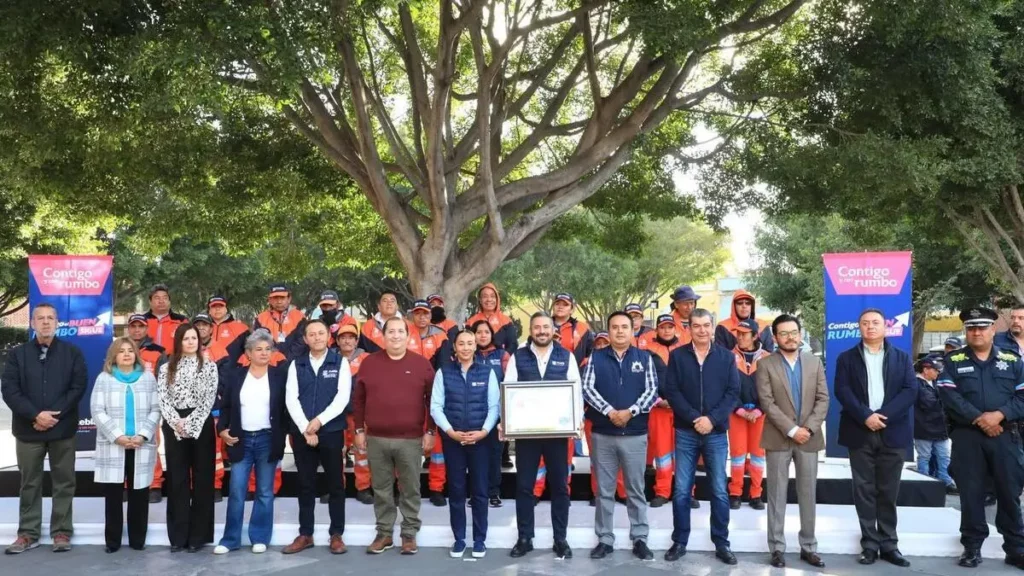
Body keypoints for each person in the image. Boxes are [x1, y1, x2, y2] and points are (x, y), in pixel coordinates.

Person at [937, 307, 1024, 568]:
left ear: (993, 329)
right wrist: (980, 419)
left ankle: (1016, 548)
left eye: (982, 327)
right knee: (971, 493)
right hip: (968, 438)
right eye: (971, 328)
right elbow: (948, 395)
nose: (976, 332)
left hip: (1005, 436)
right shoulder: (954, 361)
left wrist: (999, 415)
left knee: (1009, 493)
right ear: (966, 331)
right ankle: (972, 547)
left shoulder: (1012, 360)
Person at [834, 308, 917, 567]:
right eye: (865, 323)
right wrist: (866, 416)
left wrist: (882, 416)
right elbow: (842, 390)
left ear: (885, 327)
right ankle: (869, 544)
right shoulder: (846, 358)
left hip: (892, 431)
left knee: (888, 490)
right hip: (860, 431)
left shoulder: (902, 358)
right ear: (859, 327)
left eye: (876, 323)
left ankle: (890, 544)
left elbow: (910, 390)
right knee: (864, 490)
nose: (870, 327)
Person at [2, 303, 87, 555]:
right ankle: (28, 533)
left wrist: (53, 415)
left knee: (64, 482)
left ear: (57, 323)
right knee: (30, 483)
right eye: (41, 318)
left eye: (51, 318)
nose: (46, 322)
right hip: (29, 430)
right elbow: (10, 389)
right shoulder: (18, 355)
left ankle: (61, 531)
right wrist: (35, 415)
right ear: (32, 323)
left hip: (62, 430)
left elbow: (77, 386)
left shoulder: (72, 353)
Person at [660, 308, 740, 565]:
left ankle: (722, 543)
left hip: (716, 433)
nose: (702, 330)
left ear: (713, 326)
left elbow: (732, 393)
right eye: (697, 326)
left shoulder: (726, 357)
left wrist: (711, 420)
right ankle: (680, 541)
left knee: (719, 490)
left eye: (706, 325)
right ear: (690, 328)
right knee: (682, 490)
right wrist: (696, 418)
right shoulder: (678, 357)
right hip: (686, 431)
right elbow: (672, 391)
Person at [353, 317, 436, 555]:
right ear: (384, 335)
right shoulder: (369, 363)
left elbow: (432, 401)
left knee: (410, 488)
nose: (396, 335)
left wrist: (430, 431)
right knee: (381, 488)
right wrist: (359, 429)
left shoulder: (422, 364)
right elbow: (358, 400)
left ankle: (409, 534)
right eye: (391, 331)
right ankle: (385, 534)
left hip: (410, 439)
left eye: (401, 331)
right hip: (376, 439)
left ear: (408, 335)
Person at [506, 312, 582, 560]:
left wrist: (577, 421)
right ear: (531, 330)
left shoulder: (566, 356)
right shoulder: (519, 357)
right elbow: (508, 391)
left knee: (560, 486)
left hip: (558, 434)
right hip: (527, 434)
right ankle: (524, 537)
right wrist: (508, 423)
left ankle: (560, 539)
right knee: (524, 487)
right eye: (537, 327)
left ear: (553, 330)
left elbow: (576, 392)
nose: (541, 331)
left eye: (546, 327)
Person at [582, 311, 658, 561]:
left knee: (636, 489)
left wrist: (630, 412)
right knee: (604, 491)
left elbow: (651, 390)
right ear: (609, 330)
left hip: (635, 434)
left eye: (625, 327)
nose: (620, 331)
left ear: (633, 330)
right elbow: (587, 388)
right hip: (604, 434)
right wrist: (609, 411)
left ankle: (640, 538)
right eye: (614, 327)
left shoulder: (644, 358)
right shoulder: (596, 357)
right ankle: (605, 539)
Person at [755, 314, 830, 569]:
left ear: (800, 333)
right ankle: (777, 547)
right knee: (776, 494)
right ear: (775, 338)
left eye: (794, 332)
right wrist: (791, 429)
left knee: (808, 493)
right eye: (784, 333)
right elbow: (767, 403)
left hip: (808, 438)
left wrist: (806, 428)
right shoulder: (765, 365)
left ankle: (808, 547)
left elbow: (823, 399)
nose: (790, 337)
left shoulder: (814, 363)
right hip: (778, 437)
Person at [213, 330, 289, 555]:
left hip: (267, 438)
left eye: (268, 349)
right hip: (240, 439)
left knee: (265, 491)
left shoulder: (279, 376)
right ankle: (230, 539)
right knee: (237, 491)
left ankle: (260, 537)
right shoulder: (237, 376)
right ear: (248, 353)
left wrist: (281, 434)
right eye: (259, 349)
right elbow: (226, 406)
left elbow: (285, 410)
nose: (264, 353)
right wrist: (222, 430)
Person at [281, 319, 352, 555]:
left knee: (335, 484)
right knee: (305, 484)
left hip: (331, 432)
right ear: (305, 339)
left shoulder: (340, 363)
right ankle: (305, 534)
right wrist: (305, 427)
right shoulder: (296, 364)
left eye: (321, 333)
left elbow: (342, 398)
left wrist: (318, 422)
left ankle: (336, 534)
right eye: (312, 334)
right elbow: (291, 398)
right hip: (302, 434)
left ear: (328, 337)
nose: (317, 337)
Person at [431, 329, 500, 559]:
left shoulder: (487, 372)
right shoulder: (444, 373)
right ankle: (459, 539)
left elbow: (494, 407)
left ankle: (480, 540)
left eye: (470, 343)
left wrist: (483, 432)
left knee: (480, 492)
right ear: (455, 347)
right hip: (454, 441)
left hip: (481, 441)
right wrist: (451, 432)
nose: (466, 347)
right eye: (462, 343)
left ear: (475, 346)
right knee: (457, 491)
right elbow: (436, 407)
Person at [91, 338, 161, 553]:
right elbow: (97, 410)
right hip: (114, 444)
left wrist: (143, 434)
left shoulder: (148, 378)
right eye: (121, 351)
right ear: (114, 356)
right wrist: (117, 436)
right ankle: (113, 541)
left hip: (141, 444)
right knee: (113, 496)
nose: (127, 354)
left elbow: (156, 409)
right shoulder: (104, 379)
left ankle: (137, 539)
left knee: (139, 494)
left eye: (130, 350)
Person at [158, 323, 219, 553]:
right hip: (174, 426)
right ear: (179, 341)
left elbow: (208, 399)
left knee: (203, 479)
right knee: (177, 480)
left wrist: (191, 423)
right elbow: (163, 398)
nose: (191, 342)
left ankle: (198, 537)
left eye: (194, 338)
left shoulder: (209, 366)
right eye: (186, 338)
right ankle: (178, 536)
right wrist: (177, 423)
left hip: (200, 424)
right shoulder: (166, 368)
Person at [408, 299, 450, 506]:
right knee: (407, 446)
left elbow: (443, 367)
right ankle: (406, 489)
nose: (422, 317)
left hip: (434, 397)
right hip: (409, 397)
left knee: (437, 448)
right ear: (412, 315)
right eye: (418, 313)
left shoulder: (441, 336)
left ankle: (436, 489)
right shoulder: (405, 335)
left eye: (425, 313)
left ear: (430, 315)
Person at [126, 312, 170, 504]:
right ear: (129, 328)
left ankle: (154, 485)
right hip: (125, 404)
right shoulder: (119, 349)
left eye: (140, 326)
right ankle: (127, 484)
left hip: (150, 405)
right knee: (125, 445)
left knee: (150, 444)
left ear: (146, 328)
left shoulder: (159, 351)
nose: (137, 330)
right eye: (133, 326)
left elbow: (166, 379)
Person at [642, 314, 685, 508]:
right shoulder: (646, 351)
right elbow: (641, 381)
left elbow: (691, 380)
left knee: (685, 452)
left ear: (676, 329)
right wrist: (657, 400)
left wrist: (680, 401)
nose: (666, 330)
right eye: (663, 327)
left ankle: (686, 492)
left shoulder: (687, 349)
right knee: (662, 453)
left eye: (670, 327)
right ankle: (662, 491)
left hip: (683, 410)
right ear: (656, 329)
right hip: (657, 409)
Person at [728, 318, 770, 510]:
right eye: (738, 333)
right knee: (737, 454)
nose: (740, 337)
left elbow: (773, 389)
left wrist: (760, 409)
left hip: (760, 415)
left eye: (744, 334)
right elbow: (725, 388)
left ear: (755, 336)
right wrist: (740, 410)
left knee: (758, 454)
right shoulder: (728, 357)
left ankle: (756, 494)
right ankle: (735, 493)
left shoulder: (769, 358)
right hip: (736, 413)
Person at [473, 320, 510, 508]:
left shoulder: (502, 355)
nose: (482, 335)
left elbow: (510, 383)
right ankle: (476, 493)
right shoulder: (468, 354)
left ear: (491, 334)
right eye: (478, 332)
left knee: (495, 455)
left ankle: (494, 493)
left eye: (486, 332)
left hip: (496, 415)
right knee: (474, 456)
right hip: (473, 414)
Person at [336, 323, 373, 506]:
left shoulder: (367, 360)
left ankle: (363, 488)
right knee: (337, 452)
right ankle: (336, 489)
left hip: (360, 415)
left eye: (351, 337)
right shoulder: (331, 359)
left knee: (362, 452)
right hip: (336, 415)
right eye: (343, 337)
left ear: (357, 340)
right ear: (337, 341)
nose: (347, 340)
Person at [193, 313, 226, 502]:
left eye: (205, 325)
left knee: (215, 452)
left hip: (213, 408)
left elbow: (225, 378)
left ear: (211, 328)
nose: (201, 328)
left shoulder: (220, 349)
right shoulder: (184, 348)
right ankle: (195, 486)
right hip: (190, 410)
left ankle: (215, 486)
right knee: (192, 451)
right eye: (197, 325)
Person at [913, 357, 956, 494]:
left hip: (938, 427)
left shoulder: (933, 383)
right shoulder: (917, 385)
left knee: (943, 456)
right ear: (926, 370)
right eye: (936, 370)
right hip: (925, 428)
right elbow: (930, 404)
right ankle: (924, 481)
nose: (938, 373)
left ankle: (946, 481)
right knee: (925, 457)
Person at [253, 284, 306, 357]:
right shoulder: (260, 318)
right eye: (275, 298)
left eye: (282, 298)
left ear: (289, 299)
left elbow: (302, 341)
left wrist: (287, 359)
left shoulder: (300, 317)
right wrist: (275, 358)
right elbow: (258, 342)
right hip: (269, 362)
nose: (279, 302)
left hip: (295, 362)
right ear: (270, 300)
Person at [466, 283, 518, 352]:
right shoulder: (471, 322)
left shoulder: (506, 321)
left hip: (502, 361)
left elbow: (513, 345)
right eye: (485, 296)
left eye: (492, 296)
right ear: (480, 300)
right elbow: (468, 345)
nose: (489, 299)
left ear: (497, 299)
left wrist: (505, 357)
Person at [205, 295, 249, 365]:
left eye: (221, 306)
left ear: (226, 309)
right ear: (209, 310)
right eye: (214, 306)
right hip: (206, 372)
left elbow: (250, 352)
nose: (217, 309)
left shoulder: (242, 328)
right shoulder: (201, 328)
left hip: (232, 373)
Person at [143, 284, 188, 353]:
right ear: (150, 301)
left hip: (174, 361)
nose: (161, 301)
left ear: (169, 301)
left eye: (165, 298)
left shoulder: (181, 321)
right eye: (157, 298)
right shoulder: (142, 321)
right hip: (147, 361)